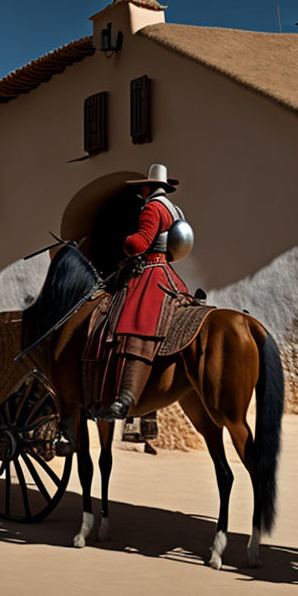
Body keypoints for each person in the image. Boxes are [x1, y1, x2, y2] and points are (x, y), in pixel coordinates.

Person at [99, 164, 189, 421]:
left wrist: (124, 241)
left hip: (151, 270)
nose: (141, 192)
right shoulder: (175, 208)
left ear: (149, 187)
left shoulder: (152, 207)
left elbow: (138, 243)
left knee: (133, 321)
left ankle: (126, 392)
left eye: (142, 188)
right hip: (169, 271)